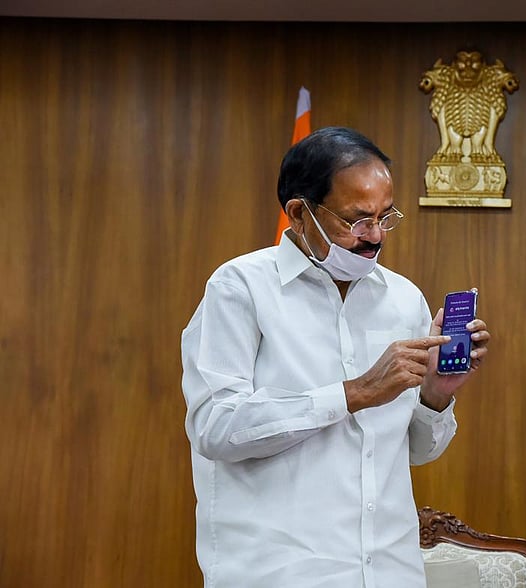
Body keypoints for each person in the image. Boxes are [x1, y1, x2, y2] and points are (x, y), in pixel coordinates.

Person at [180, 126, 490, 587]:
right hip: (278, 574)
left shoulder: (403, 299)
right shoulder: (239, 288)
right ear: (299, 213)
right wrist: (355, 393)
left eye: (386, 217)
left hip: (389, 572)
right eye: (356, 220)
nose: (375, 237)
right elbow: (215, 428)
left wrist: (435, 397)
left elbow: (420, 452)